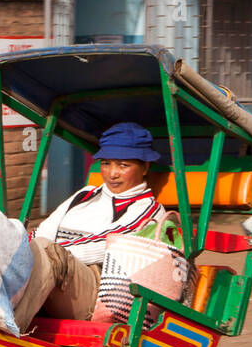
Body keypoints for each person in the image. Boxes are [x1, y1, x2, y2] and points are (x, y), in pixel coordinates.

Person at [13, 122, 165, 329]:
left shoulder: (150, 211)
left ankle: (12, 328)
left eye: (123, 165)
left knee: (44, 249)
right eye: (106, 163)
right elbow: (44, 231)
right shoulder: (83, 195)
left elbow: (108, 245)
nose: (112, 173)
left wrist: (52, 251)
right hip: (52, 273)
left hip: (98, 294)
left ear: (145, 167)